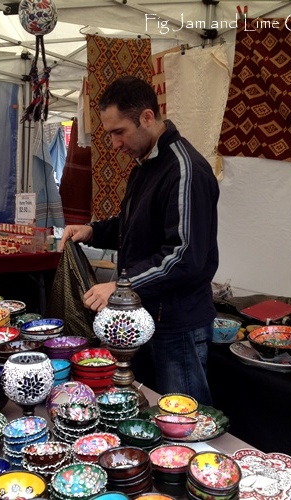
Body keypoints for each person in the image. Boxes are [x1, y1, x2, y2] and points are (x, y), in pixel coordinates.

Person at [60, 75, 219, 405]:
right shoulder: (145, 166)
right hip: (146, 318)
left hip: (177, 325)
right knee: (146, 410)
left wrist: (121, 286)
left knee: (180, 419)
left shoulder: (184, 170)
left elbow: (183, 256)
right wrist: (93, 231)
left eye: (119, 132)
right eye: (110, 134)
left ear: (147, 117)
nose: (115, 144)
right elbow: (134, 226)